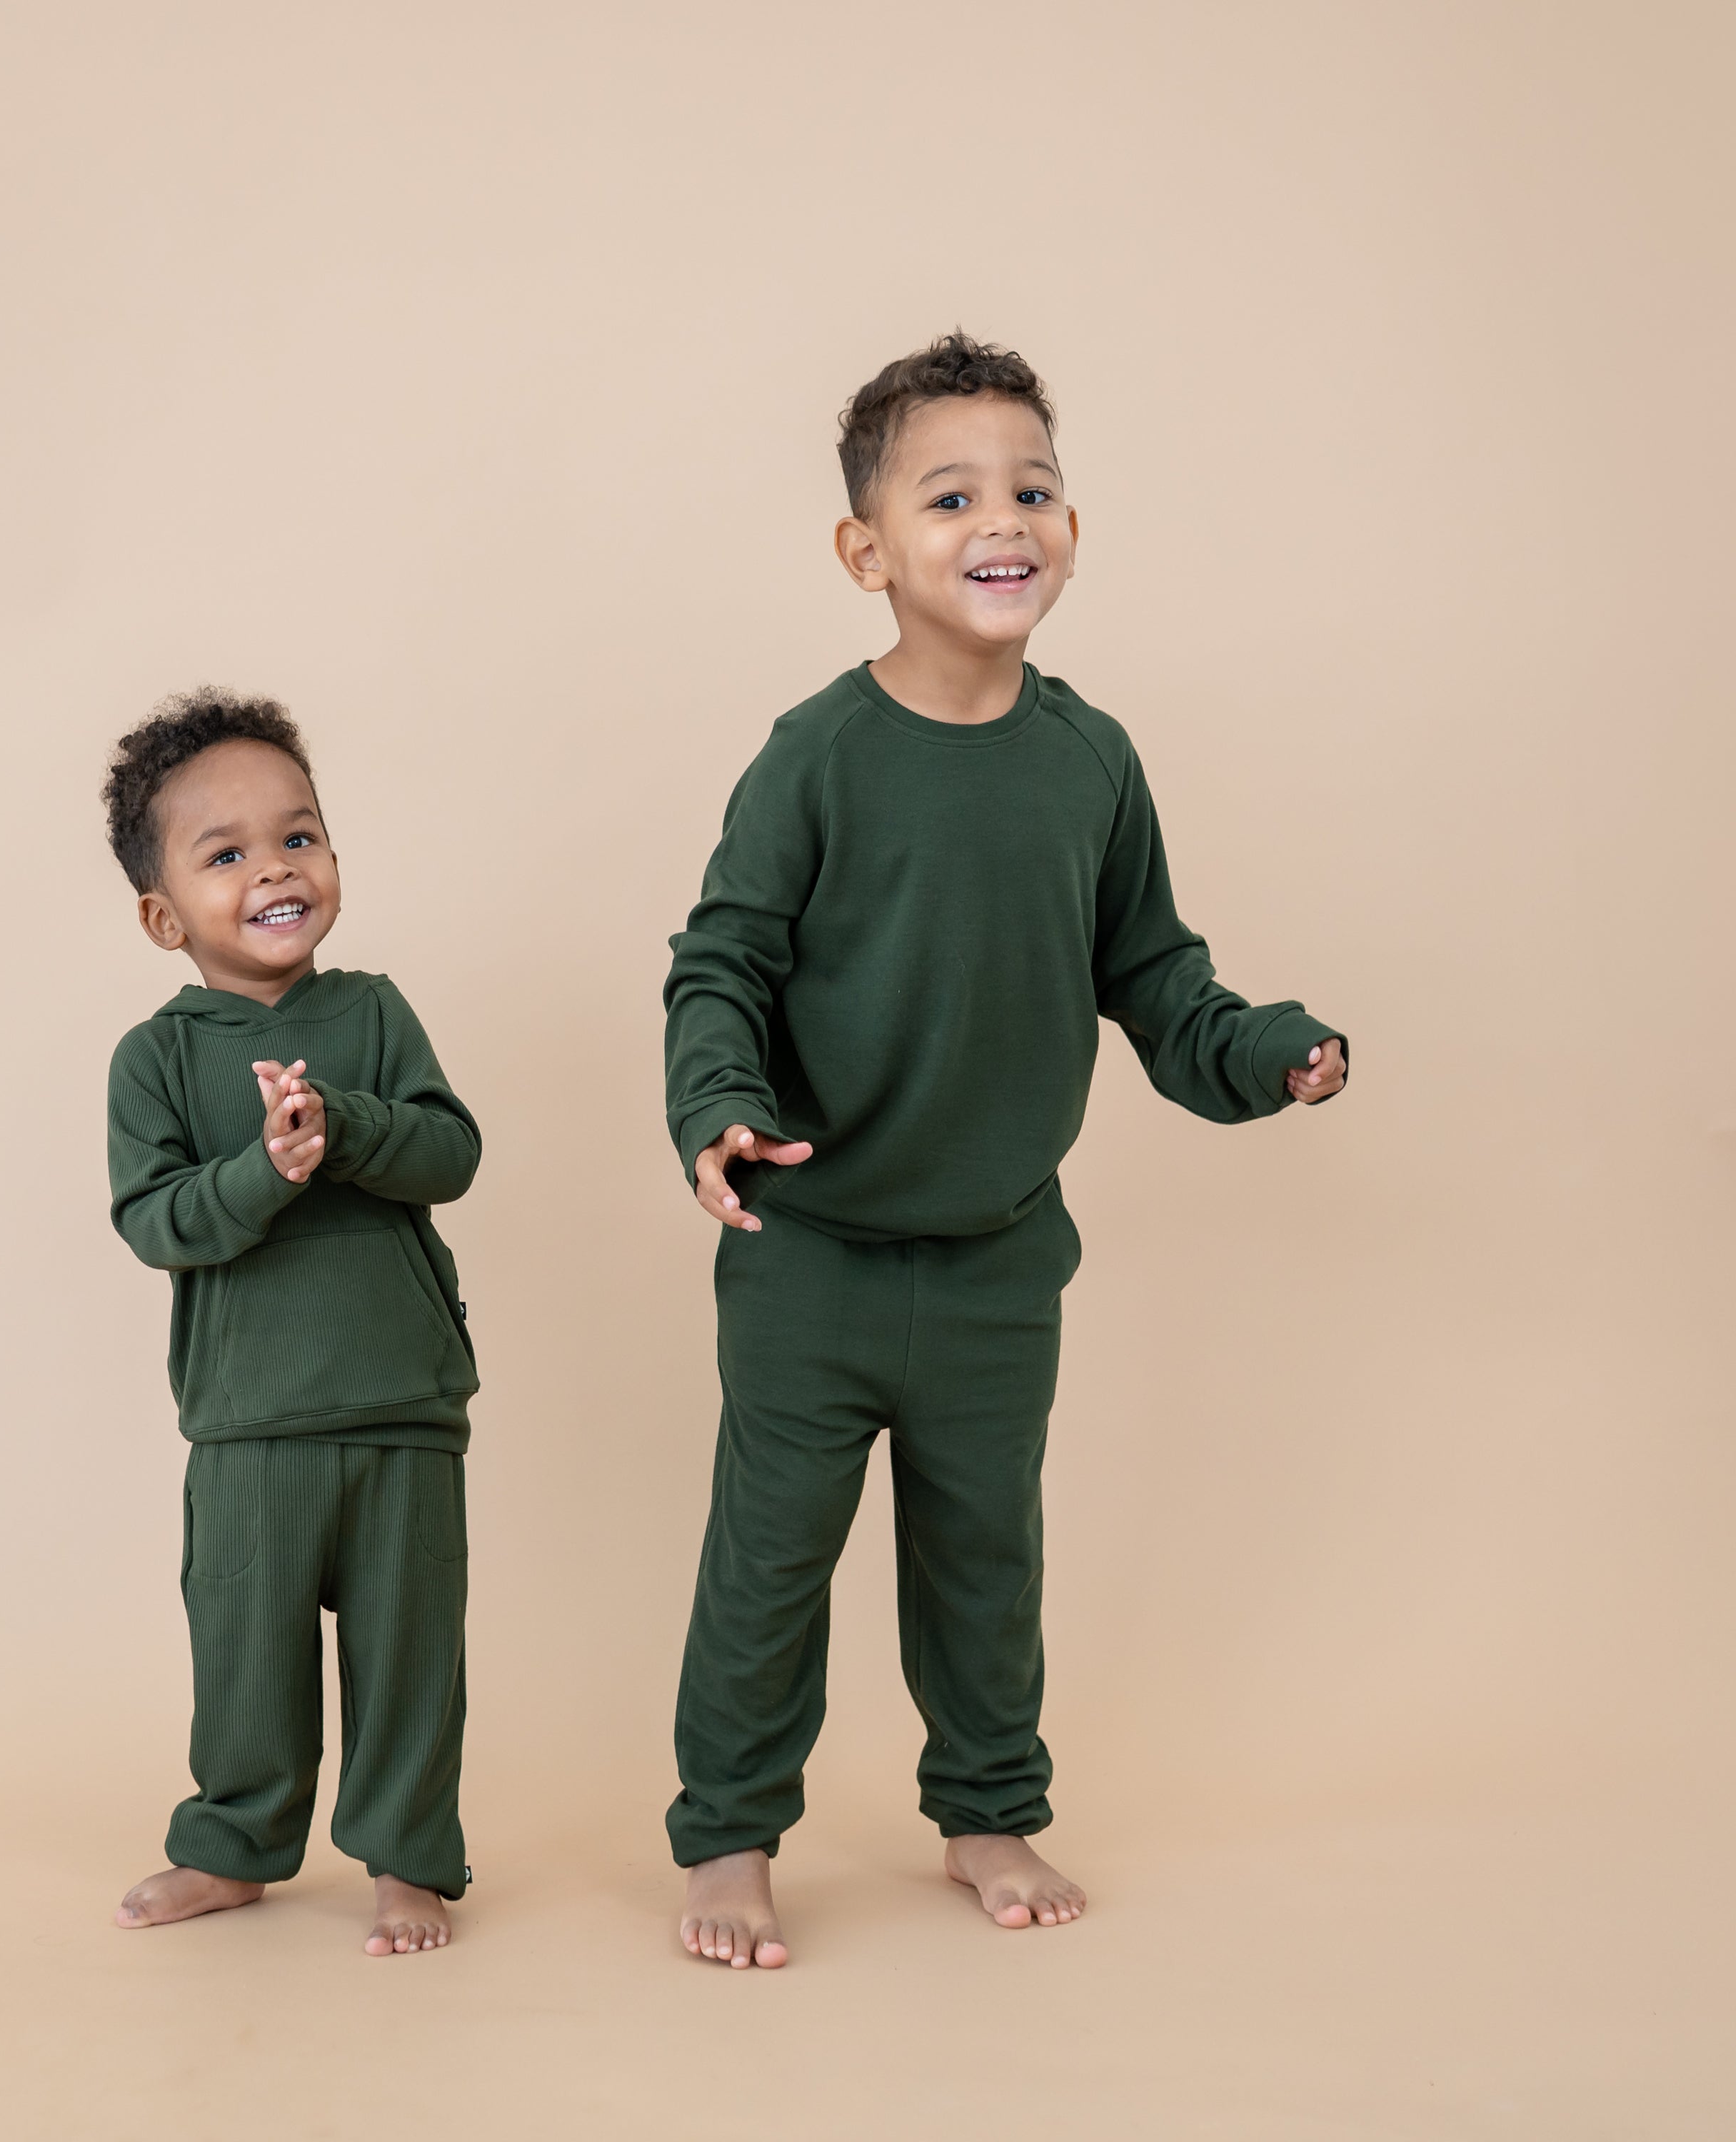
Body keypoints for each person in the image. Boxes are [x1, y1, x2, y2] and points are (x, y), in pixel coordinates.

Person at [662, 333, 1348, 1969]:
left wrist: (1262, 1051)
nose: (1004, 519)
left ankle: (986, 1807)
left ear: (1072, 528)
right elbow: (723, 957)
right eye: (953, 492)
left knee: (986, 1560)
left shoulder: (1090, 762)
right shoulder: (818, 753)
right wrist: (714, 1104)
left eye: (1032, 487)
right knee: (769, 1571)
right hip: (807, 1252)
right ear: (868, 551)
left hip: (996, 1259)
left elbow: (1155, 977)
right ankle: (730, 1836)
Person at [102, 689, 480, 1956]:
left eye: (299, 837)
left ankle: (409, 1859)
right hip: (250, 1421)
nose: (275, 868)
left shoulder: (372, 1012)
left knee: (410, 1657)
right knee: (246, 1654)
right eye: (226, 855)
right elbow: (156, 1220)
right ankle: (236, 1846)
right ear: (165, 917)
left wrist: (351, 1127)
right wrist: (270, 1168)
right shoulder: (156, 1058)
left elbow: (451, 1151)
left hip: (403, 1406)